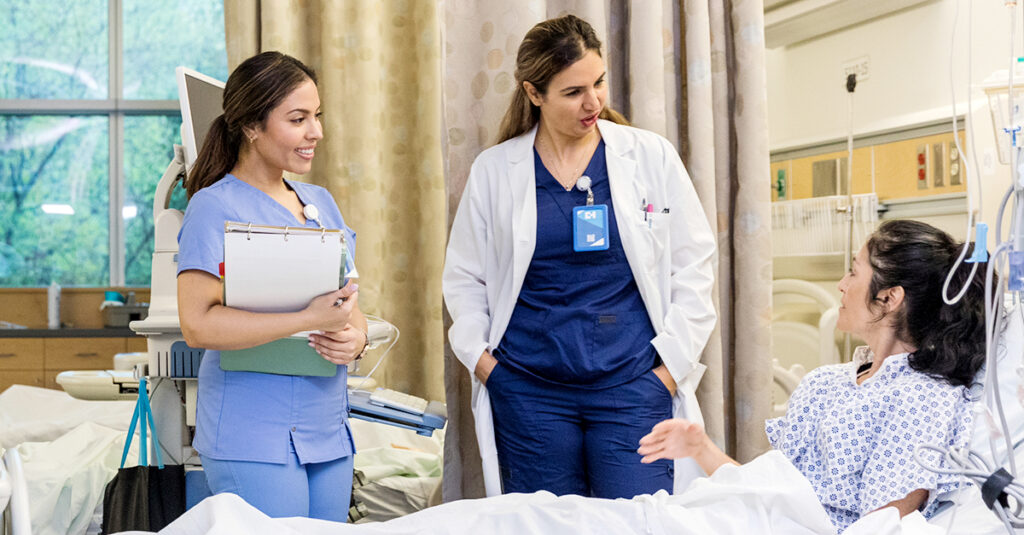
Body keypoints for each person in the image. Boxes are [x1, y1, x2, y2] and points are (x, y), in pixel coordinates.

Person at [442, 14, 717, 499]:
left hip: (633, 387)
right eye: (573, 92)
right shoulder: (495, 170)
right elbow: (465, 278)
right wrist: (487, 366)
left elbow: (694, 265)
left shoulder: (649, 156)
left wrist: (668, 373)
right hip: (528, 391)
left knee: (639, 523)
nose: (594, 103)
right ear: (534, 94)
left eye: (599, 82)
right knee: (546, 526)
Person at [638, 219, 989, 532]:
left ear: (889, 297)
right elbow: (767, 492)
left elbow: (881, 523)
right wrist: (700, 448)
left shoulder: (924, 398)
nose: (841, 284)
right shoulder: (824, 382)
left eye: (853, 271)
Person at [177, 51, 367, 521]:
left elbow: (350, 301)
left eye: (316, 117)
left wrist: (355, 339)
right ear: (251, 126)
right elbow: (198, 326)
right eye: (298, 119)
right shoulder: (213, 207)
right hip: (252, 433)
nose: (316, 132)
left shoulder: (319, 203)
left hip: (326, 429)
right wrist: (306, 319)